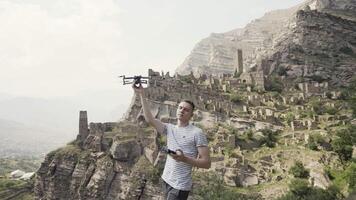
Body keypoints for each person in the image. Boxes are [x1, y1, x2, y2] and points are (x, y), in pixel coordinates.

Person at [133, 83, 211, 200]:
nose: (182, 111)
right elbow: (150, 119)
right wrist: (142, 94)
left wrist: (185, 159)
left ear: (191, 115)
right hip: (166, 180)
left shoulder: (197, 132)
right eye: (180, 108)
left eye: (186, 110)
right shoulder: (170, 128)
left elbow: (207, 163)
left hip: (179, 186)